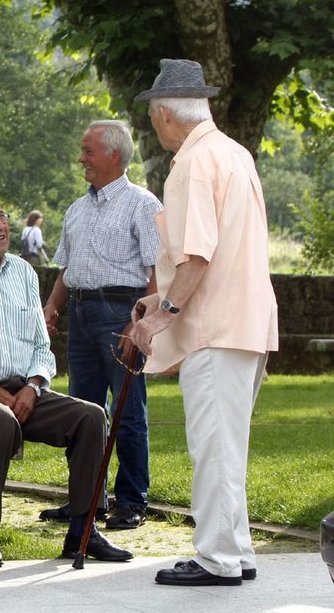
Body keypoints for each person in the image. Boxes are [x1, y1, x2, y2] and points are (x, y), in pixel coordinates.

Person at [0, 191, 132, 568]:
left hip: (20, 390)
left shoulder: (23, 272)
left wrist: (34, 385)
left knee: (91, 415)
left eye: (1, 216)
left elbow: (40, 346)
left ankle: (82, 531)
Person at [129, 59, 277, 586]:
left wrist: (163, 314)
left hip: (215, 326)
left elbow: (197, 255)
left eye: (152, 114)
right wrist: (159, 300)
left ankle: (217, 558)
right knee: (227, 443)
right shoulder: (233, 153)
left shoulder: (193, 163)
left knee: (213, 446)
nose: (152, 124)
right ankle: (237, 549)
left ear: (166, 114)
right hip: (247, 321)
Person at [39, 121, 162, 530]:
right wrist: (52, 306)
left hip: (120, 313)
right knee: (82, 411)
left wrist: (141, 322)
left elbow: (156, 270)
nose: (81, 159)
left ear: (113, 154)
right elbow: (68, 267)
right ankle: (86, 501)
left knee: (127, 410)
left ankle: (131, 501)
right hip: (80, 312)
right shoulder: (77, 208)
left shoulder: (143, 204)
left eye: (87, 151)